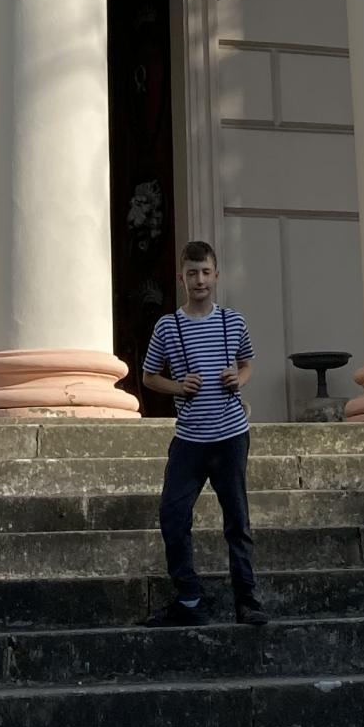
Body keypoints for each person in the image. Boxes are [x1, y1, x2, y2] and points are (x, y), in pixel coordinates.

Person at [140, 240, 269, 626]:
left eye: (206, 272)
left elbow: (247, 364)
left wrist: (238, 377)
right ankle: (189, 598)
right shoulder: (168, 325)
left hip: (230, 435)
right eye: (192, 273)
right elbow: (148, 377)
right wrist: (178, 387)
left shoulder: (233, 321)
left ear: (216, 275)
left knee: (237, 519)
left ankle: (246, 599)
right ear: (182, 278)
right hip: (190, 440)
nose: (200, 280)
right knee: (173, 515)